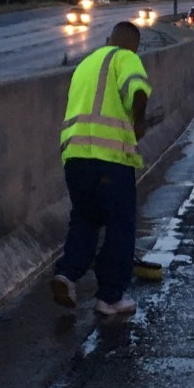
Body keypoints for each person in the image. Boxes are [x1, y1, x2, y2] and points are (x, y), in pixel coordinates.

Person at [50, 21, 152, 316]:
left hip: (75, 157)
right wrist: (139, 121)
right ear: (134, 45)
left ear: (108, 38)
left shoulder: (86, 64)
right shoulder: (126, 57)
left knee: (85, 218)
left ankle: (67, 274)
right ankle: (110, 297)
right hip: (110, 160)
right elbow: (138, 91)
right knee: (120, 226)